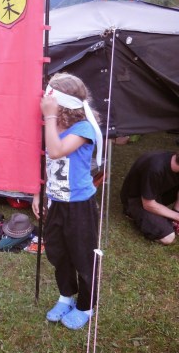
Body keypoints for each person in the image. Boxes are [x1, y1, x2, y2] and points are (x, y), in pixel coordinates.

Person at [32, 72, 103, 330]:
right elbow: (46, 161)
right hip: (56, 201)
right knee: (58, 252)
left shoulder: (83, 128)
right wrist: (38, 193)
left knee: (83, 256)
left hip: (79, 205)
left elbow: (56, 151)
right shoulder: (52, 126)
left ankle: (86, 305)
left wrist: (50, 118)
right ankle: (66, 295)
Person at [120, 151, 179, 245]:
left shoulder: (174, 161)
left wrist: (176, 214)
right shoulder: (155, 168)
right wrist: (177, 217)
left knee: (171, 220)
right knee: (168, 237)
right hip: (136, 200)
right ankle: (132, 214)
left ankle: (171, 221)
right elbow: (148, 204)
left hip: (156, 193)